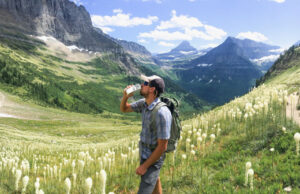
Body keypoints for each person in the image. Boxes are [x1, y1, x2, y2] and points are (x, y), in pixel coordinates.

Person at [120, 74, 172, 194]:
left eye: (145, 83)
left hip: (154, 157)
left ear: (152, 89)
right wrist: (125, 97)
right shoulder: (143, 103)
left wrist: (144, 166)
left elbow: (162, 146)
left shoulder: (162, 113)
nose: (142, 85)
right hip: (144, 152)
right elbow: (124, 109)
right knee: (155, 180)